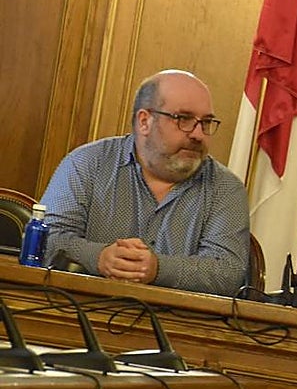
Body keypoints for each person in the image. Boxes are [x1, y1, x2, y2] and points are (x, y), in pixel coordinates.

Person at [39, 69, 250, 296]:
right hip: (78, 316)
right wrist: (99, 258)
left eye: (206, 122)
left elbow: (228, 271)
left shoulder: (226, 188)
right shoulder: (87, 164)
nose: (198, 134)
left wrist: (157, 269)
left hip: (177, 326)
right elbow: (45, 239)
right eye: (184, 119)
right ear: (144, 121)